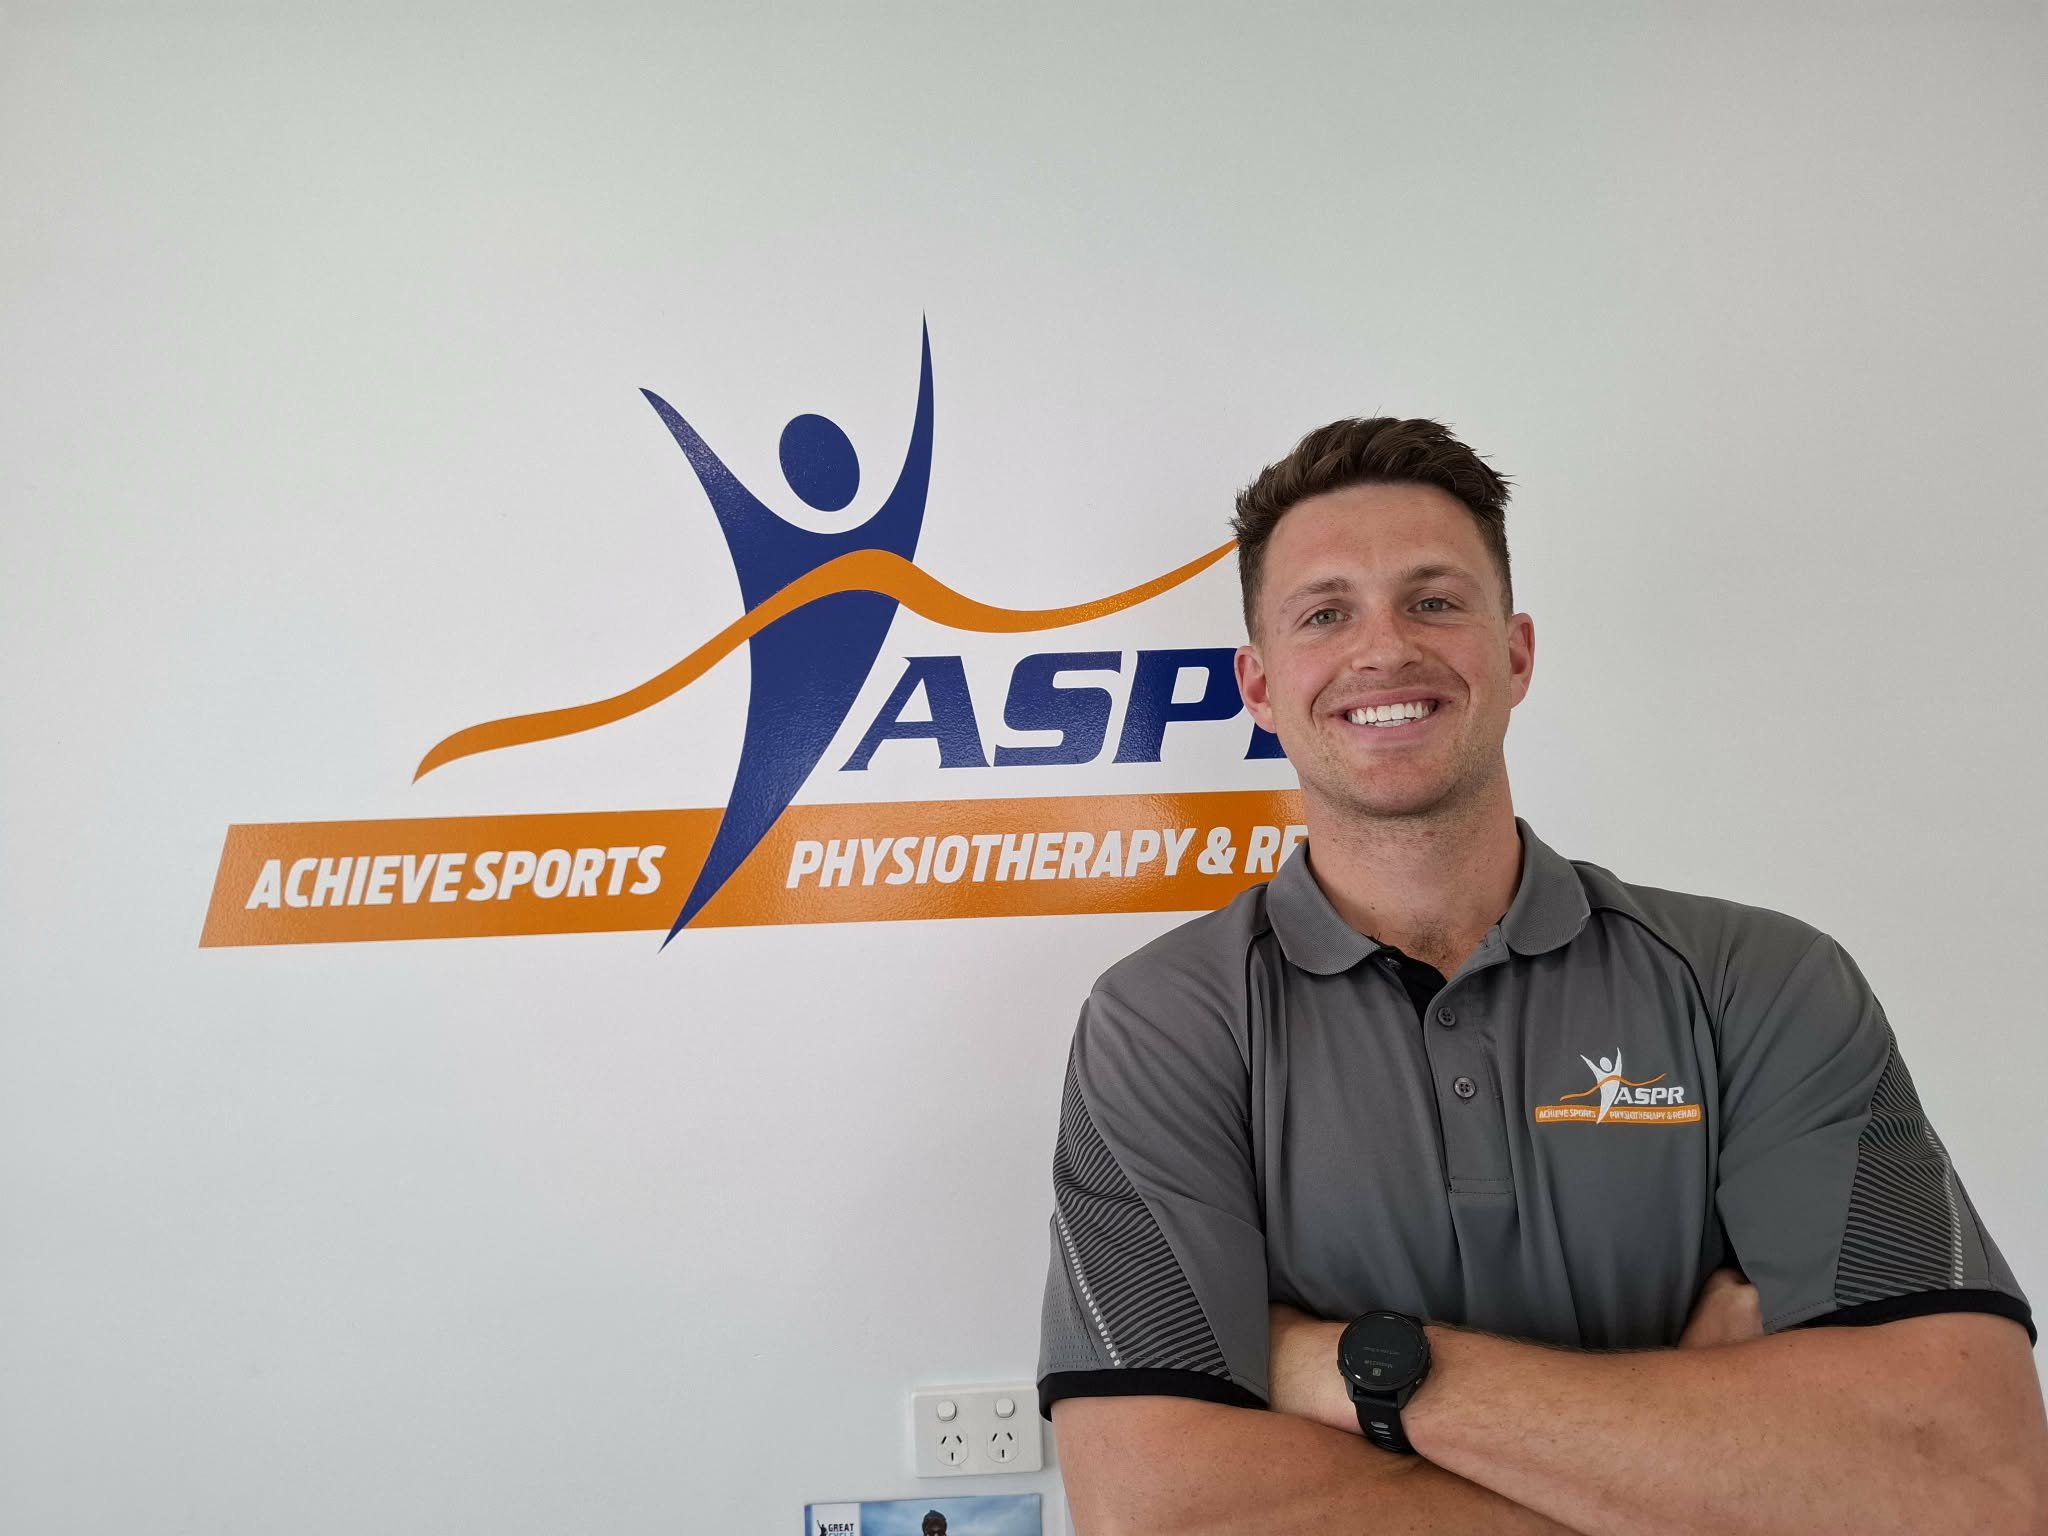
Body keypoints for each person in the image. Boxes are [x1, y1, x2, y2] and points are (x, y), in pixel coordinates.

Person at [1035, 418, 2047, 1535]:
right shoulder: (1165, 1023)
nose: (1383, 651)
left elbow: (1965, 1483)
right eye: (1325, 613)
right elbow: (1158, 1511)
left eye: (1433, 600)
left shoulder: (1760, 982)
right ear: (1260, 686)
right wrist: (1709, 1464)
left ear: (1514, 654)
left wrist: (1344, 1368)